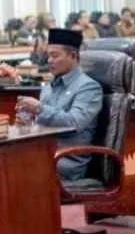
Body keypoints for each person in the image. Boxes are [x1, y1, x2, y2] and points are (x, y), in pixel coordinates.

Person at [15, 28, 103, 181]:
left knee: (14, 168)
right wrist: (28, 120)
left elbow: (74, 122)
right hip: (44, 153)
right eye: (48, 55)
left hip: (66, 160)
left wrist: (39, 109)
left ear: (73, 56)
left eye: (55, 56)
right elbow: (43, 123)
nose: (49, 61)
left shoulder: (89, 87)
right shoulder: (48, 87)